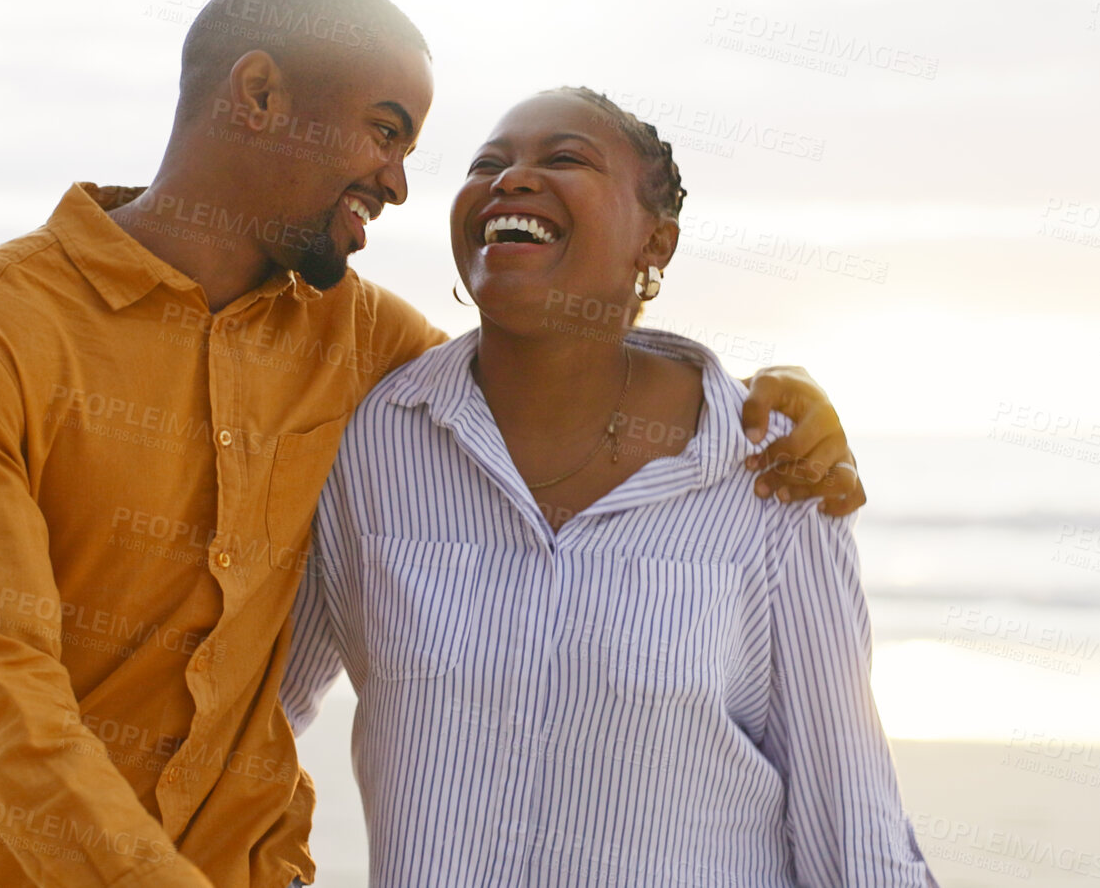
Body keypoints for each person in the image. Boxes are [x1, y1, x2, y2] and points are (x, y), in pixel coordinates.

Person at [0, 0, 863, 888]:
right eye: (384, 131)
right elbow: (5, 695)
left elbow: (553, 373)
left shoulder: (370, 345)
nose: (398, 181)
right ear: (258, 95)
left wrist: (764, 396)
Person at [273, 87, 936, 886]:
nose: (510, 179)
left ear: (655, 241)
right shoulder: (374, 439)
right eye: (488, 163)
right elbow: (253, 711)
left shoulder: (767, 468)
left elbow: (850, 823)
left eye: (562, 159)